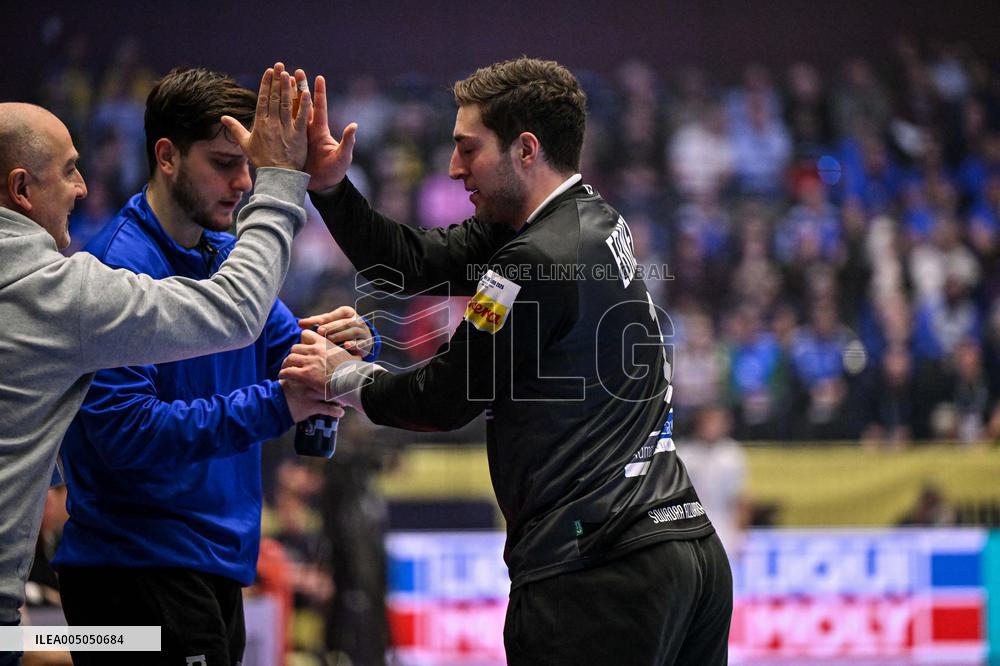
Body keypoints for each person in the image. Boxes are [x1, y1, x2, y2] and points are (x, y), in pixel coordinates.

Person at [282, 58, 733, 664]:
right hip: (684, 550)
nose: (453, 167)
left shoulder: (530, 259)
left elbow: (442, 400)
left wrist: (338, 376)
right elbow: (409, 262)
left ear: (525, 150)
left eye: (468, 148)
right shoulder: (588, 220)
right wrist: (331, 188)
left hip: (600, 574)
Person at [51, 68, 373, 666]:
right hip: (133, 576)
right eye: (225, 163)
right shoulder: (114, 270)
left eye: (249, 164)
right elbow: (127, 432)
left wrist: (346, 344)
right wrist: (281, 403)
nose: (244, 182)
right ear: (167, 156)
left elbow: (292, 355)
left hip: (211, 567)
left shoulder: (225, 257)